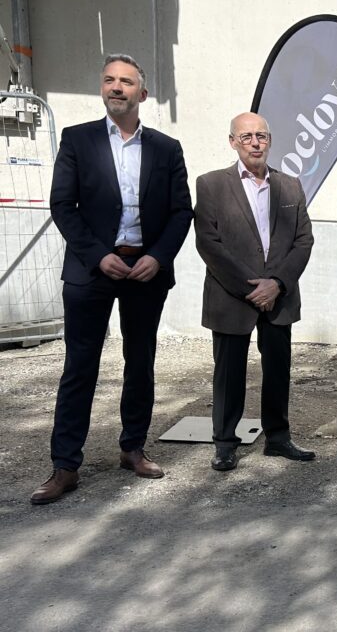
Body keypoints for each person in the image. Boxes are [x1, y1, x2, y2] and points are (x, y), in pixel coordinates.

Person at [32, 54, 193, 504]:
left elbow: (182, 211)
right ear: (102, 89)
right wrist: (98, 255)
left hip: (145, 271)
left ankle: (132, 448)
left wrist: (158, 258)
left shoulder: (166, 148)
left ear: (142, 93)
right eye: (109, 80)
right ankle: (65, 466)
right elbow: (63, 206)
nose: (116, 87)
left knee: (139, 360)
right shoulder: (77, 140)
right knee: (79, 366)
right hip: (91, 269)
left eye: (126, 82)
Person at [194, 112, 316, 471]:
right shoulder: (211, 184)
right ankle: (225, 443)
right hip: (233, 296)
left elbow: (304, 240)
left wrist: (277, 283)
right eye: (246, 136)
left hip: (279, 296)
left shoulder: (291, 185)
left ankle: (278, 438)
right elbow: (209, 243)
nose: (255, 142)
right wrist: (252, 287)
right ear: (232, 142)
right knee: (229, 373)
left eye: (261, 135)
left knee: (278, 369)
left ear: (270, 140)